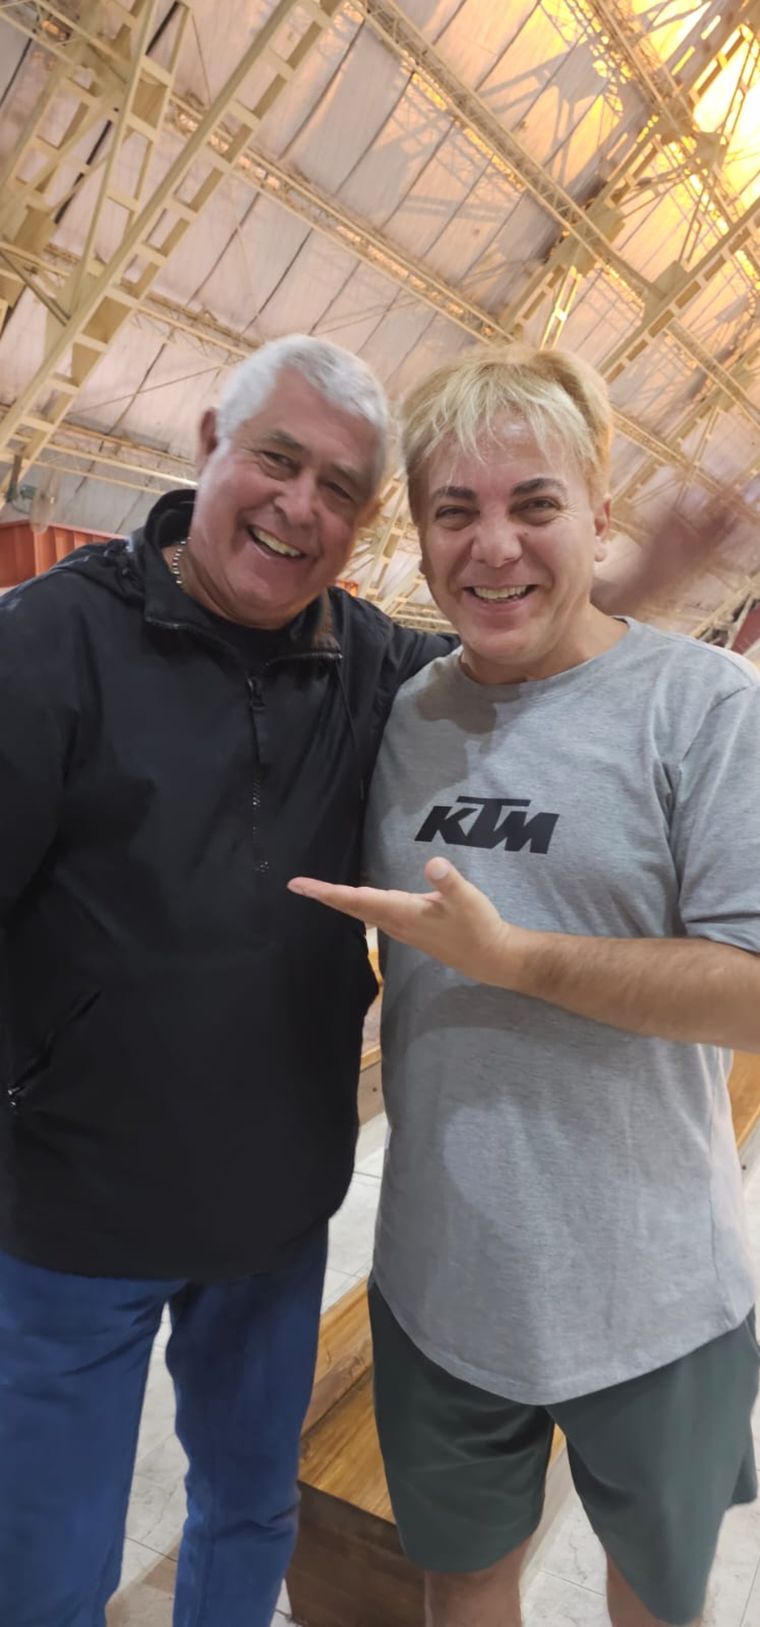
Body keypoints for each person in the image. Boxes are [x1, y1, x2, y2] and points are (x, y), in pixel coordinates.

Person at [290, 345, 760, 1627]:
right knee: (461, 1585)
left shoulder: (706, 708)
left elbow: (749, 990)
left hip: (656, 1293)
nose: (493, 546)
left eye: (534, 505)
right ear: (420, 535)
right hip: (444, 1283)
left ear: (598, 515)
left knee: (656, 1596)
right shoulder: (395, 709)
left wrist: (518, 961)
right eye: (458, 511)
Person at [0, 334, 453, 1627]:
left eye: (341, 488)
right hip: (71, 1213)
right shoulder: (44, 645)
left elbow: (516, 671)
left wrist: (643, 574)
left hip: (270, 1202)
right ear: (210, 442)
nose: (300, 505)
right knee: (46, 1558)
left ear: (362, 525)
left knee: (249, 1508)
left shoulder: (369, 659)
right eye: (277, 458)